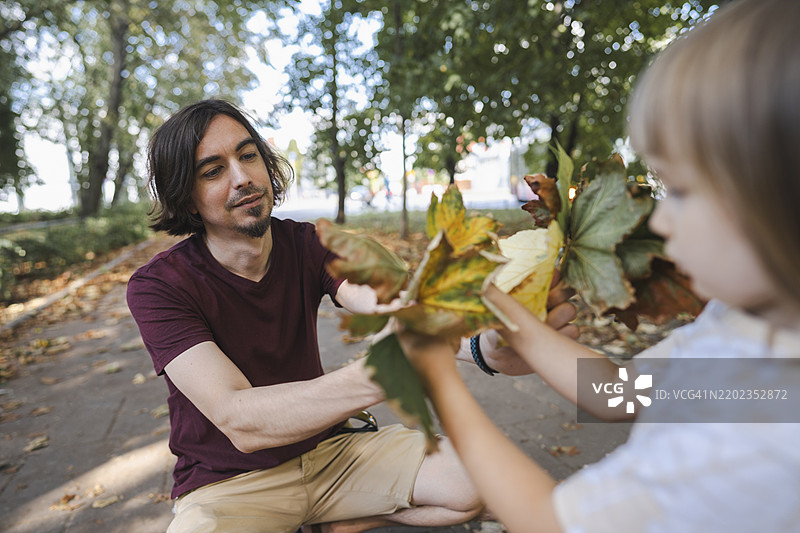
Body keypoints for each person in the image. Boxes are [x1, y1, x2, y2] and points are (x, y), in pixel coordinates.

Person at [397, 0, 800, 532]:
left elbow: (549, 522)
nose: (662, 220)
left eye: (679, 190)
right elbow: (621, 393)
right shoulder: (742, 322)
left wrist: (438, 378)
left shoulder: (762, 431)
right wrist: (509, 318)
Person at [126, 98, 577, 533]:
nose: (242, 177)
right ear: (186, 198)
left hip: (334, 453)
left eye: (248, 155)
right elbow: (240, 420)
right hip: (229, 484)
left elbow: (398, 306)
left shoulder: (309, 244)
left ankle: (342, 524)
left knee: (481, 481)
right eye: (213, 170)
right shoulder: (159, 286)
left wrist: (482, 349)